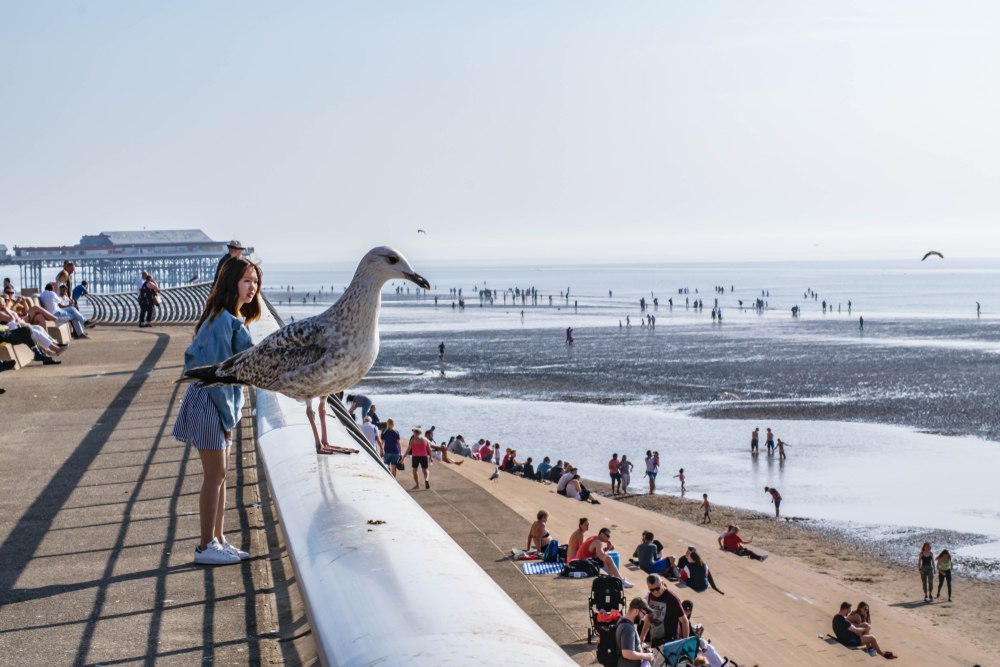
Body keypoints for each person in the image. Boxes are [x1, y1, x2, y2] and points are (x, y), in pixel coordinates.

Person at [171, 256, 261, 565]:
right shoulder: (225, 322)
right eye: (248, 280)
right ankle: (205, 546)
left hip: (214, 402)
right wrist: (227, 417)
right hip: (211, 401)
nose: (253, 287)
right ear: (232, 282)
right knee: (215, 475)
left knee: (220, 475)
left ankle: (218, 539)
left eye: (256, 281)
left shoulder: (225, 317)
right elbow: (221, 375)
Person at [642, 574, 689, 647]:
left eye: (657, 588)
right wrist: (642, 636)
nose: (655, 592)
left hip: (670, 643)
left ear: (662, 583)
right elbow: (649, 616)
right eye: (651, 590)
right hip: (656, 642)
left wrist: (685, 644)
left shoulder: (672, 599)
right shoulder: (651, 596)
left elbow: (685, 621)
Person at [616, 597, 655, 666]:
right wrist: (646, 656)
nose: (643, 617)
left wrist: (642, 652)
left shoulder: (622, 621)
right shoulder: (627, 628)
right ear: (636, 611)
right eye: (643, 614)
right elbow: (627, 653)